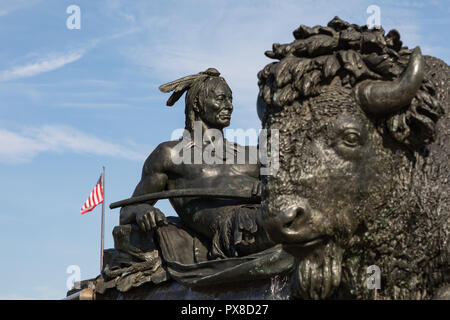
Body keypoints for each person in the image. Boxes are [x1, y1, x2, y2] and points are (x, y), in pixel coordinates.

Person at [119, 68, 273, 259]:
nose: (229, 106)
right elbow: (127, 210)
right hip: (236, 228)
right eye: (221, 98)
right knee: (283, 225)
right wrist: (142, 209)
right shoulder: (170, 154)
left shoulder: (252, 153)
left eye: (230, 99)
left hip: (266, 211)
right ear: (197, 104)